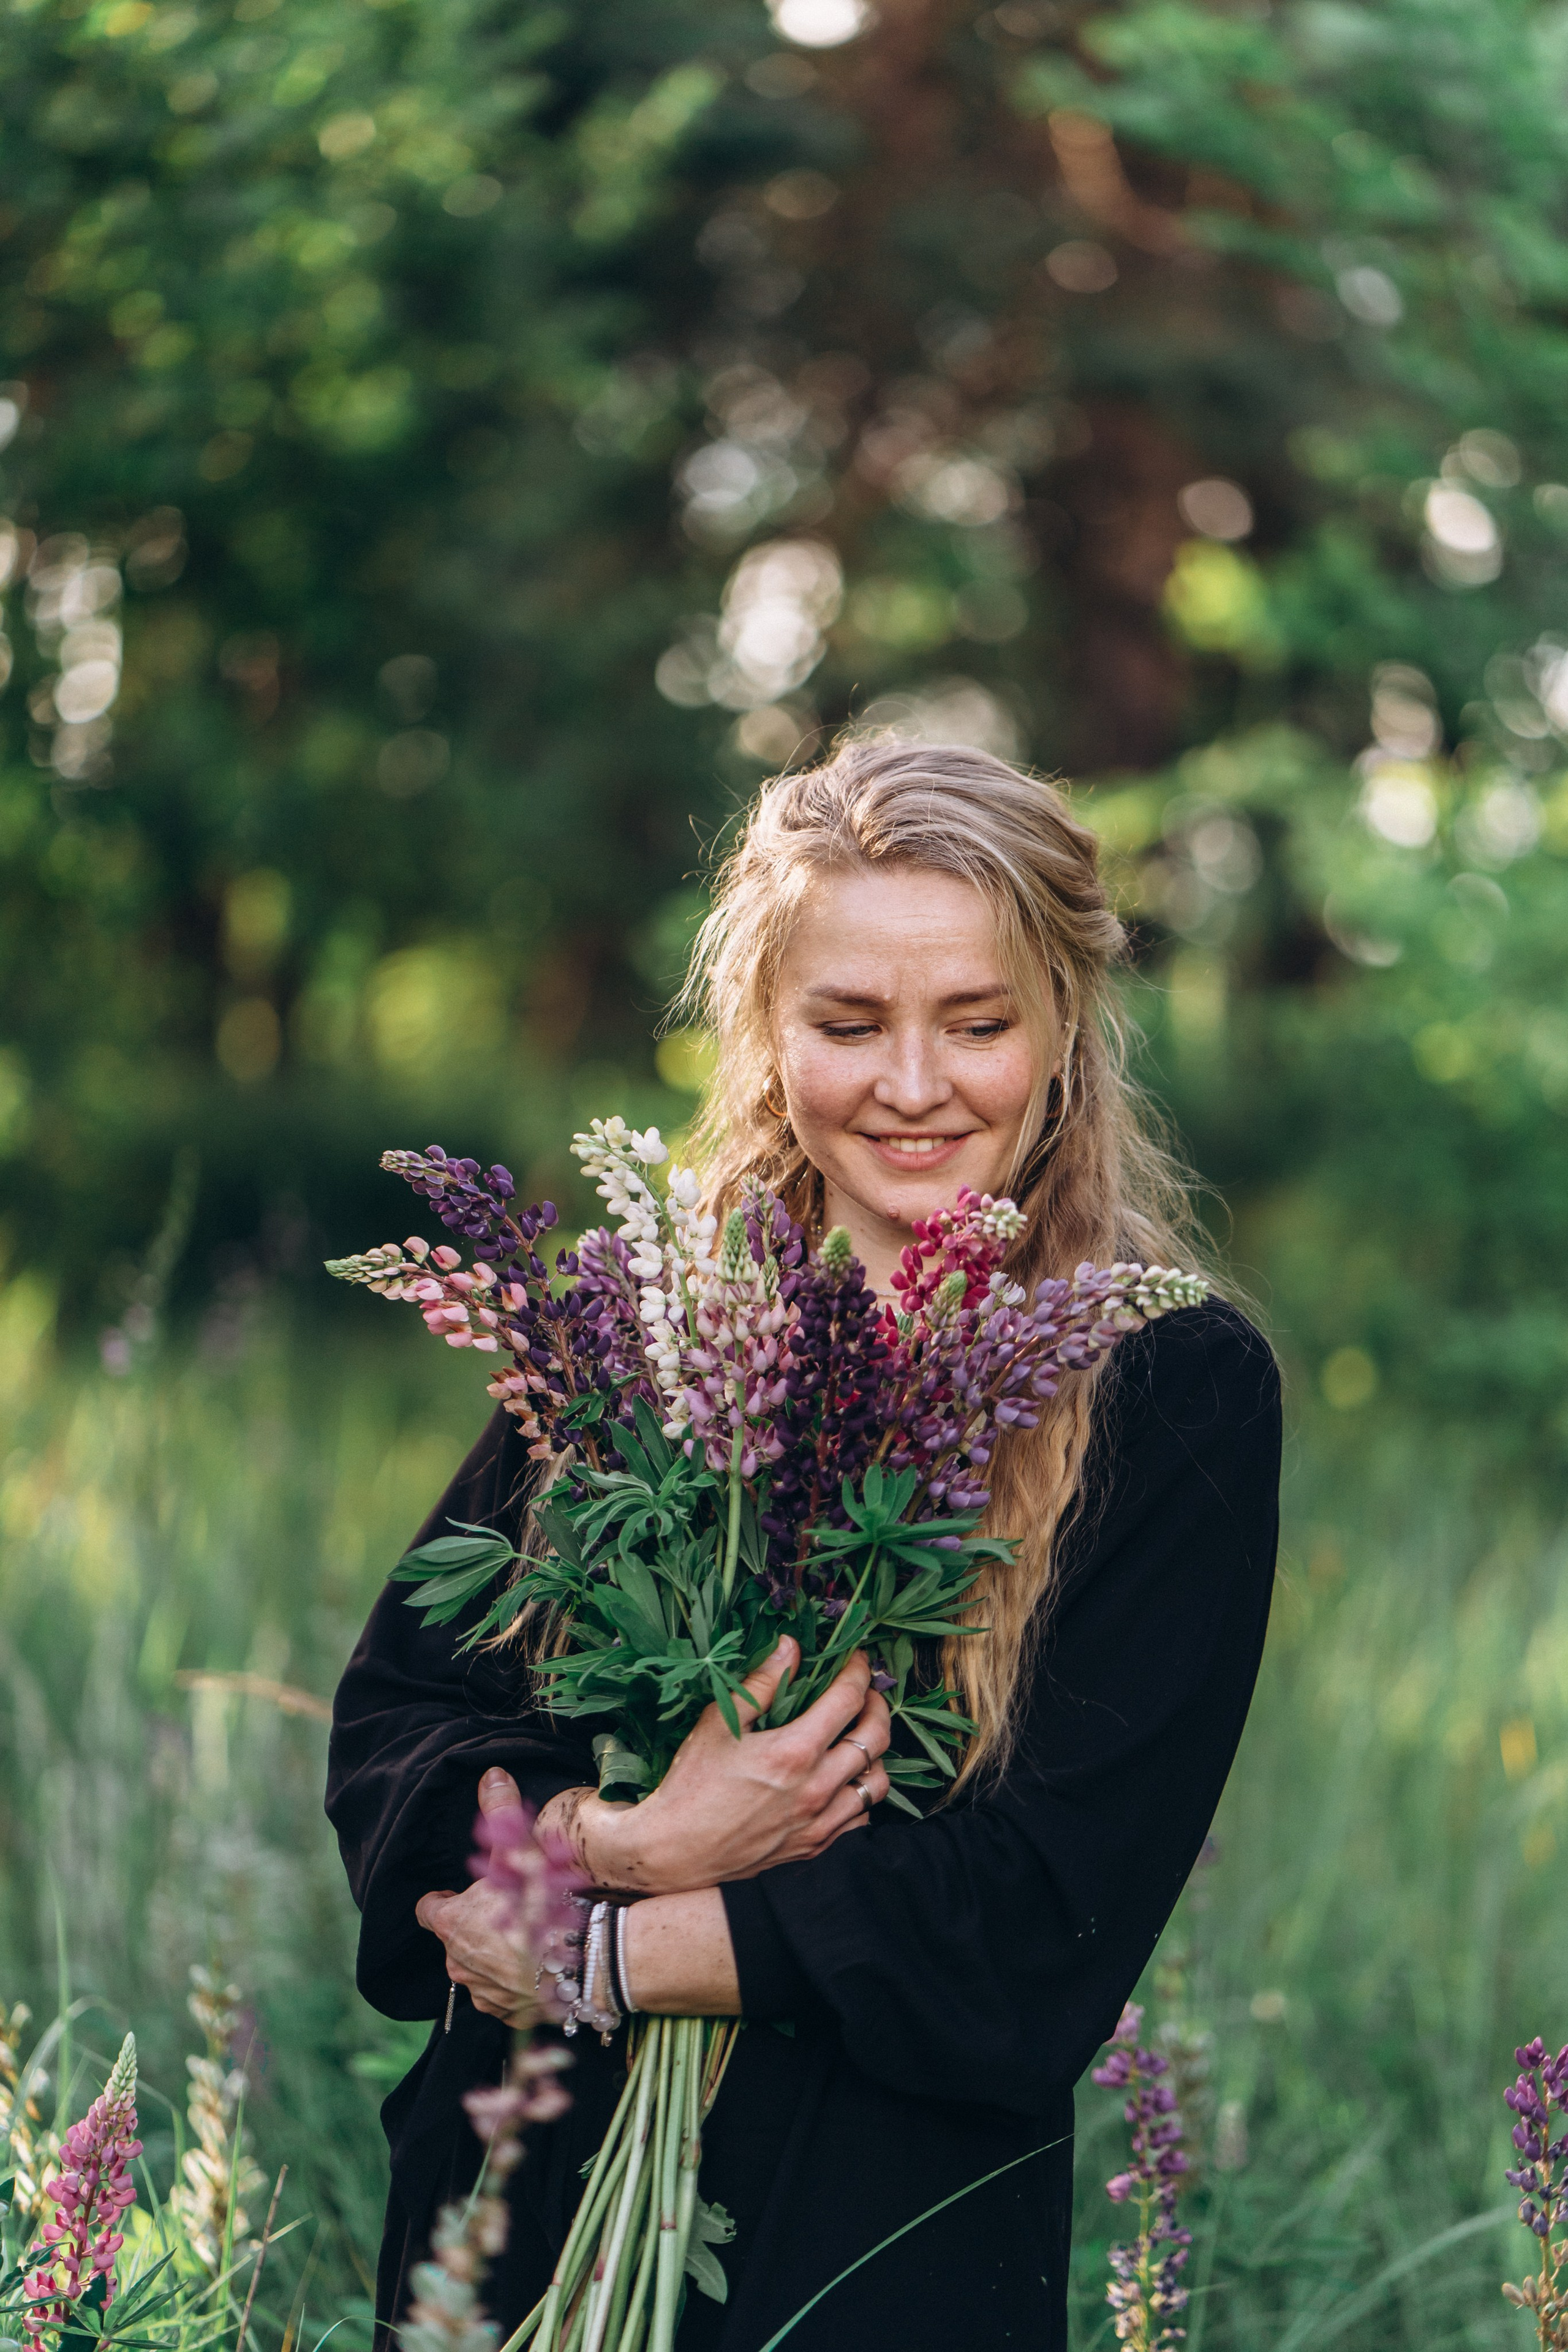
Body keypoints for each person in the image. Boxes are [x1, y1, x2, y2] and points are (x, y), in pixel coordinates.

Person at [326, 737, 1281, 2351]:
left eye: (976, 1022)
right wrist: (623, 1842)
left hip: (883, 2246)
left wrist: (588, 1950)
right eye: (849, 1024)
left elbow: (1030, 1928)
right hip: (521, 2210)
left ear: (1063, 1030)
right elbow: (399, 1725)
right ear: (769, 1033)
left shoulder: (1170, 1386)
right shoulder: (641, 1321)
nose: (915, 1085)